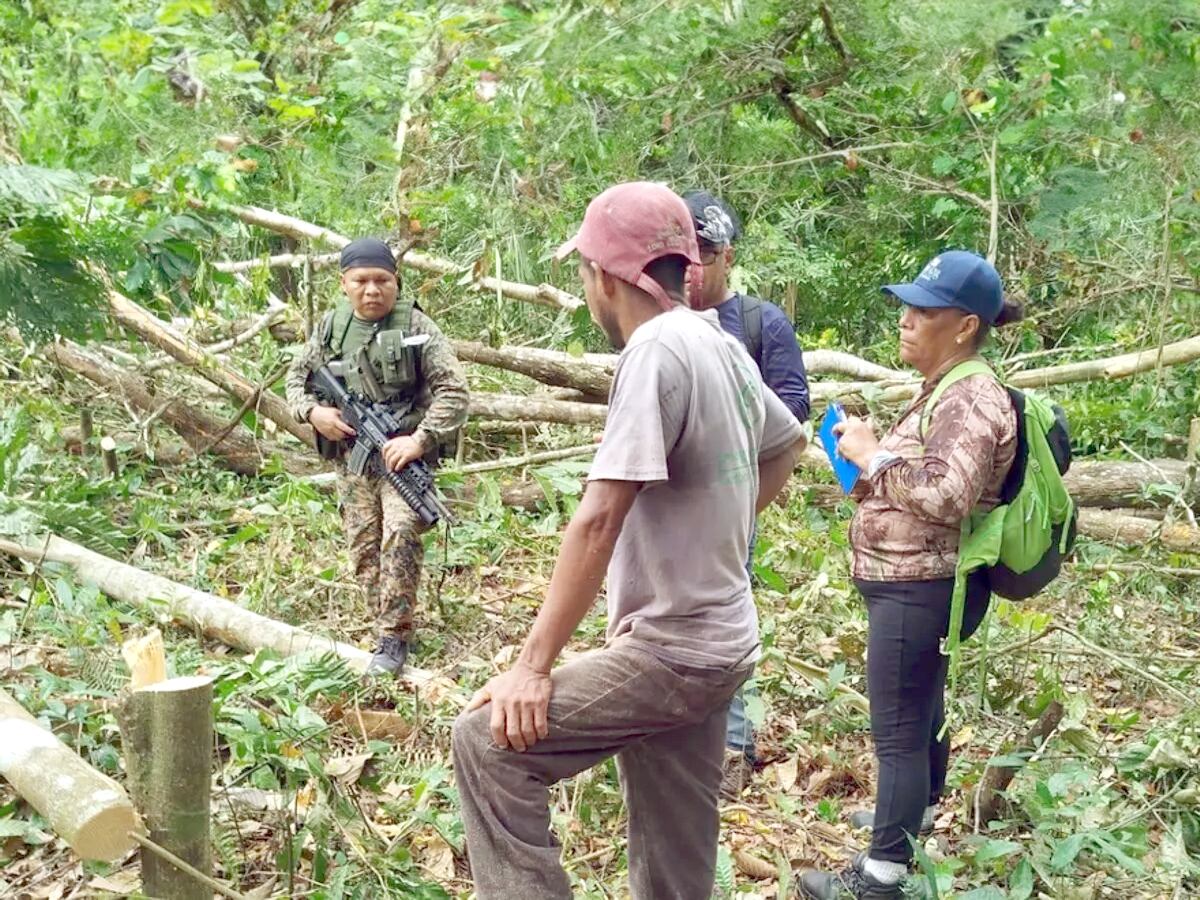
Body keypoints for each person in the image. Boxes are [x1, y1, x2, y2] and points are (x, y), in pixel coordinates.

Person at [450, 182, 806, 899]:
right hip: (725, 641)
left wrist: (532, 667)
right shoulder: (718, 342)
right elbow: (787, 445)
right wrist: (723, 529)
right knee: (675, 854)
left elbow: (599, 517)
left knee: (485, 744)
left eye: (584, 276)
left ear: (605, 277)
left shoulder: (654, 352)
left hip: (672, 649)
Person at [797, 251, 1024, 899]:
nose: (906, 320)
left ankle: (879, 877)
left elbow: (949, 495)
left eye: (924, 311)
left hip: (921, 585)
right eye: (906, 307)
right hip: (916, 582)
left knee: (897, 734)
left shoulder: (973, 397)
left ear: (964, 325)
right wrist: (871, 456)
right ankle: (913, 822)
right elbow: (919, 476)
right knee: (921, 712)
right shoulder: (948, 388)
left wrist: (873, 456)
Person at [285, 238, 468, 675]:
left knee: (402, 532)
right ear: (344, 283)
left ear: (396, 282)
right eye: (361, 281)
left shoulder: (418, 326)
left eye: (381, 280)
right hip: (353, 458)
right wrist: (313, 412)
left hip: (403, 455)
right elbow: (296, 378)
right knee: (363, 549)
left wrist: (420, 440)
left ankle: (393, 638)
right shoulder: (331, 327)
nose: (372, 290)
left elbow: (455, 392)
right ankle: (384, 622)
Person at [682, 189, 810, 796]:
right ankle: (679, 733)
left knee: (724, 609)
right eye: (682, 252)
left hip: (734, 498)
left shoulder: (761, 323)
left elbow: (792, 418)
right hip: (669, 499)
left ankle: (732, 746)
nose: (692, 266)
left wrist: (744, 495)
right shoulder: (657, 322)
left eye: (704, 253)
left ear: (726, 255)